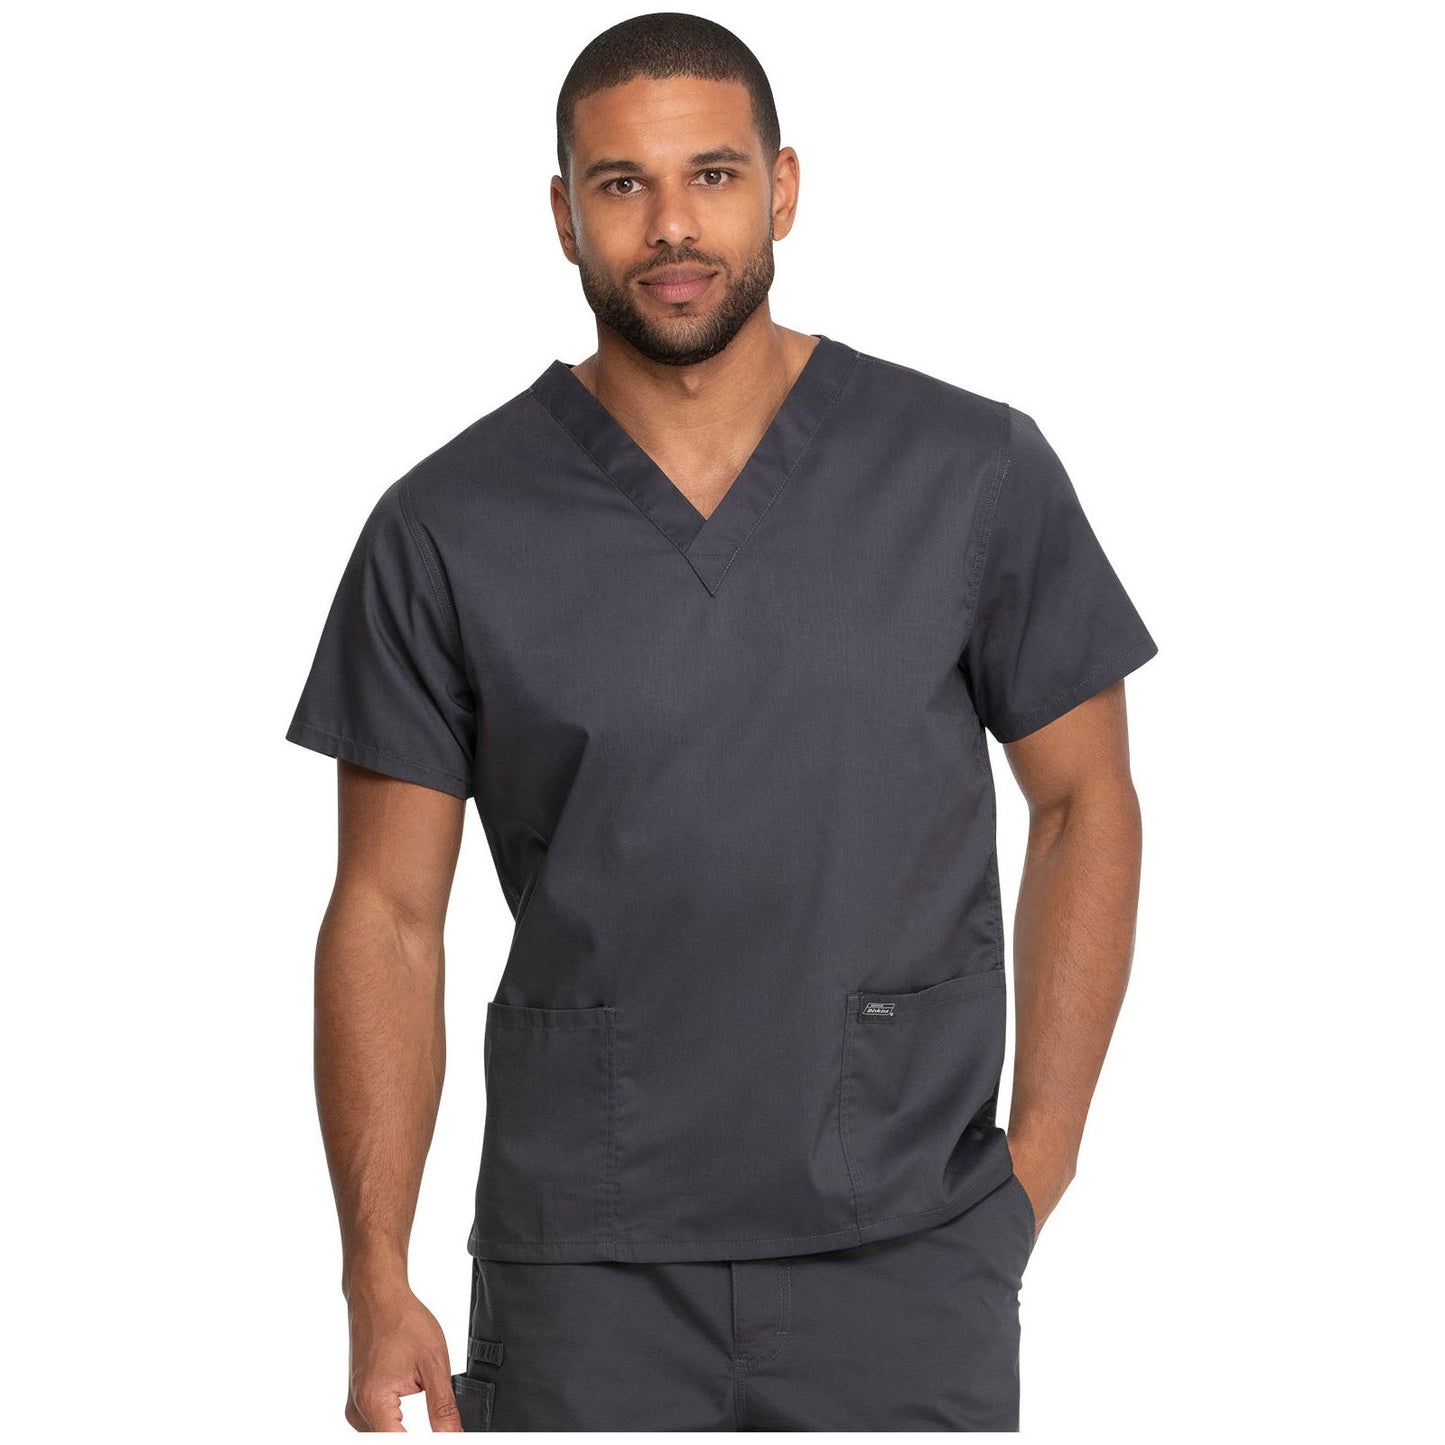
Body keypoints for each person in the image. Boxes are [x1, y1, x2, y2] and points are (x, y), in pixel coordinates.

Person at [284, 11, 1159, 1433]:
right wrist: (373, 1273)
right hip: (585, 1276)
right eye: (621, 184)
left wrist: (1037, 1164)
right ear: (562, 216)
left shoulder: (968, 471)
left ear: (783, 188)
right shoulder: (445, 527)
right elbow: (385, 914)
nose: (672, 225)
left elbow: (1084, 801)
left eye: (713, 174)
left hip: (907, 1250)